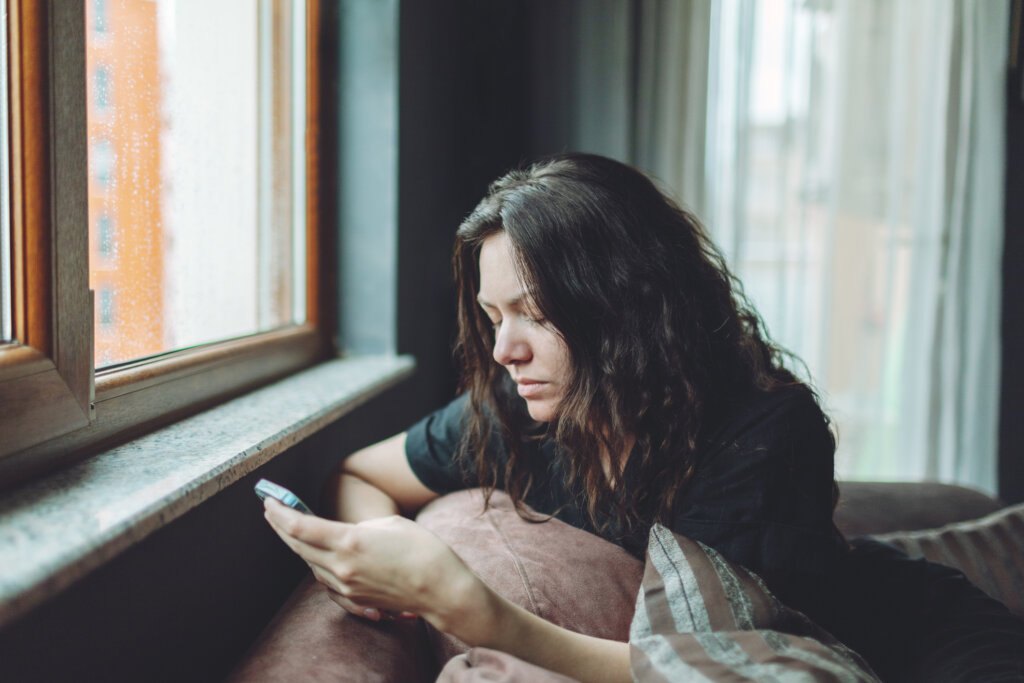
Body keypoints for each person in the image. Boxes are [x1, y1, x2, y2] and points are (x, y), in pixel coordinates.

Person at [264, 153, 1023, 682]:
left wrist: (474, 608)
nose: (503, 349)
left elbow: (721, 663)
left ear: (621, 308)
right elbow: (360, 470)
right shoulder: (518, 412)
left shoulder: (765, 434)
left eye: (531, 313)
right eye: (494, 316)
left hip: (919, 642)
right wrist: (382, 543)